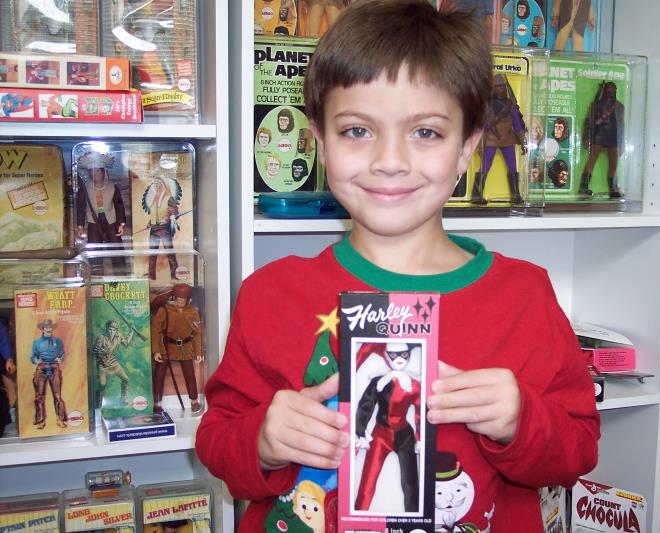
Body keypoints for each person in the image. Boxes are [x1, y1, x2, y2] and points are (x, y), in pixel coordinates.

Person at [195, 1, 600, 531]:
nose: (390, 161)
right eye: (357, 131)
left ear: (467, 147)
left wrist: (521, 419)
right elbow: (219, 444)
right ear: (320, 143)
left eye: (425, 132)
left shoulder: (524, 295)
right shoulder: (269, 294)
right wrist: (263, 441)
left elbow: (578, 450)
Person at [354, 342, 421, 512]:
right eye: (394, 355)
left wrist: (420, 437)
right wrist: (360, 431)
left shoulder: (414, 385)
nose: (399, 359)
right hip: (380, 435)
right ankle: (357, 517)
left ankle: (414, 521)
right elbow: (366, 405)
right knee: (367, 482)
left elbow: (421, 411)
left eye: (404, 355)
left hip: (404, 435)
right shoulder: (379, 382)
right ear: (387, 356)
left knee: (411, 484)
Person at [471, 73, 527, 205]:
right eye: (498, 86)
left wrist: (523, 142)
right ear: (493, 88)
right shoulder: (487, 106)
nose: (501, 88)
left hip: (507, 140)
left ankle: (516, 194)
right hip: (490, 140)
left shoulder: (510, 105)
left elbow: (517, 125)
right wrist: (478, 143)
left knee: (512, 166)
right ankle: (476, 195)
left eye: (502, 86)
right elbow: (481, 125)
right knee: (485, 166)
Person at [151, 283, 203, 413]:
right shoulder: (165, 310)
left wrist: (198, 352)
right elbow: (155, 330)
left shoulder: (193, 311)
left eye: (184, 298)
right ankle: (156, 403)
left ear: (188, 299)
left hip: (184, 347)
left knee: (189, 374)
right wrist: (156, 351)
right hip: (166, 346)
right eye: (179, 298)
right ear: (174, 297)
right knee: (159, 374)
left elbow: (197, 333)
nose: (181, 301)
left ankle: (194, 400)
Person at [75, 151, 127, 272]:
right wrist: (80, 225)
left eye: (98, 171)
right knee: (94, 249)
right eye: (92, 171)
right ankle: (96, 274)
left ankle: (121, 272)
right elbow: (81, 206)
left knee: (116, 246)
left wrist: (121, 223)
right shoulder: (85, 188)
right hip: (93, 221)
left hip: (111, 219)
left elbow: (119, 205)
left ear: (104, 172)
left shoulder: (112, 187)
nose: (95, 174)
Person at [579, 81, 624, 198]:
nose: (610, 90)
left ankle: (613, 189)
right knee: (591, 161)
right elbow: (589, 121)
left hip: (613, 136)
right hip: (599, 134)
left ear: (615, 90)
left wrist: (622, 143)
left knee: (613, 164)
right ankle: (583, 187)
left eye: (613, 88)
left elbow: (621, 125)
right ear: (605, 90)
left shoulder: (619, 106)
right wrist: (586, 136)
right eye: (609, 88)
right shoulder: (597, 105)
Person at [141, 154, 183, 280]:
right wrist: (149, 222)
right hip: (154, 228)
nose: (156, 186)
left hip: (164, 228)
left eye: (158, 184)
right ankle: (151, 275)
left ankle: (175, 274)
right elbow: (155, 213)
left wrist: (172, 216)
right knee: (152, 253)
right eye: (155, 184)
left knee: (169, 252)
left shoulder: (168, 198)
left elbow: (175, 211)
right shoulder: (154, 200)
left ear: (163, 185)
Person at [31, 319, 68, 429]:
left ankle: (60, 419)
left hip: (54, 367)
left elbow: (62, 353)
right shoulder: (36, 342)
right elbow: (33, 356)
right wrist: (35, 360)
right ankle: (40, 420)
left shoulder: (58, 341)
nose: (49, 329)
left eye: (50, 327)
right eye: (46, 327)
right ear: (43, 329)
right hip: (41, 367)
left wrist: (60, 358)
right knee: (39, 396)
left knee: (57, 396)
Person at [93, 320, 134, 408]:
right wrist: (101, 355)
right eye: (110, 329)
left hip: (113, 363)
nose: (111, 332)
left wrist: (131, 332)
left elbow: (126, 343)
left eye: (113, 330)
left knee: (125, 379)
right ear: (107, 329)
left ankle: (124, 399)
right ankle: (99, 401)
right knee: (102, 385)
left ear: (116, 330)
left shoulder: (119, 336)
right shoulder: (101, 337)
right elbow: (95, 351)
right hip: (102, 365)